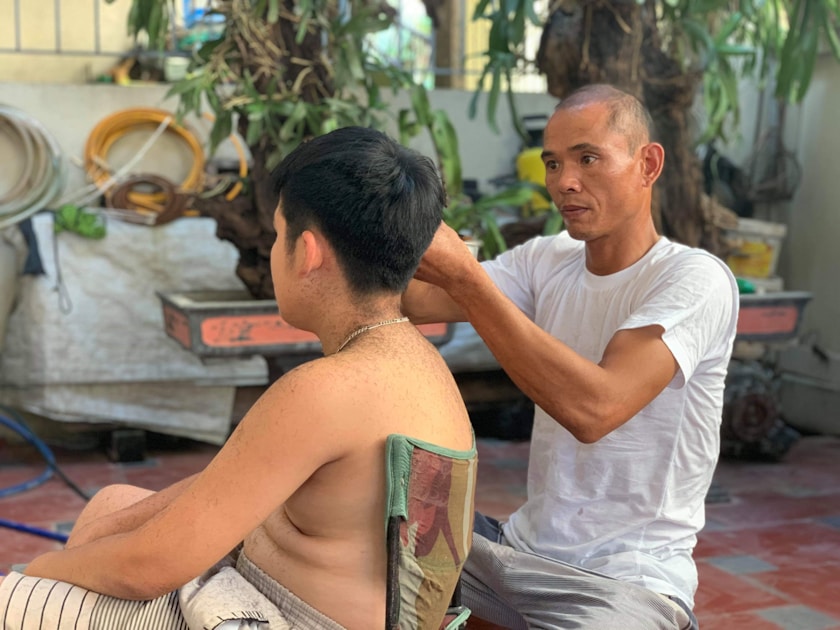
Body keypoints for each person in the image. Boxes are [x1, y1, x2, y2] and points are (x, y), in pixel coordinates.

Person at [0, 126, 476, 630]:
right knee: (112, 508)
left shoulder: (326, 389)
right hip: (287, 595)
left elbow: (150, 568)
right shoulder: (418, 364)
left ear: (308, 252)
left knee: (17, 600)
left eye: (277, 237)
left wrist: (36, 574)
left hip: (280, 617)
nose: (272, 253)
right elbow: (234, 481)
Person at [402, 84, 739, 629]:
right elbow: (417, 301)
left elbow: (595, 411)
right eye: (553, 163)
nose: (564, 182)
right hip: (519, 552)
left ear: (647, 164)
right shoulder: (548, 258)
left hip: (627, 581)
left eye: (588, 158)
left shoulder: (692, 279)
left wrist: (467, 278)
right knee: (363, 529)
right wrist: (389, 218)